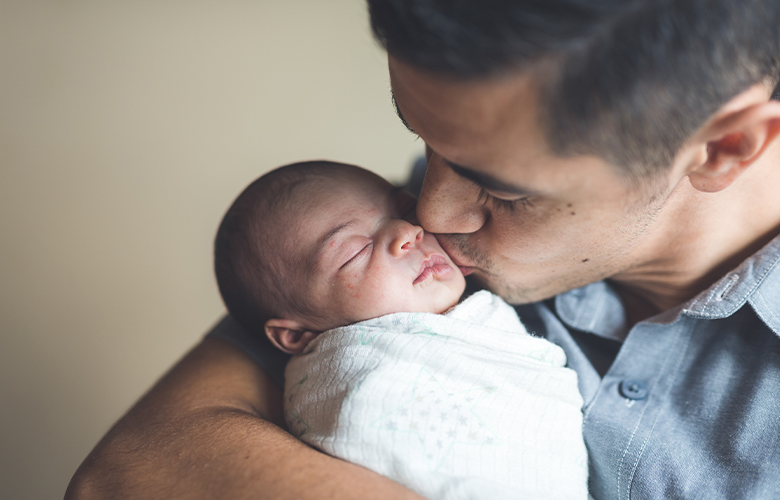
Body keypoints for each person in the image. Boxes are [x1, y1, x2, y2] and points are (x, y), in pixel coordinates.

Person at [67, 1, 780, 499]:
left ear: (725, 146)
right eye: (425, 142)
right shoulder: (392, 255)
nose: (430, 211)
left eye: (499, 188)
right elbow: (129, 472)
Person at [213, 160, 588, 499]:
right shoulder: (345, 372)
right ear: (297, 335)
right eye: (355, 252)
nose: (409, 231)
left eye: (407, 211)